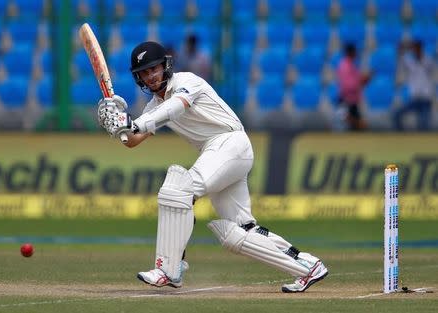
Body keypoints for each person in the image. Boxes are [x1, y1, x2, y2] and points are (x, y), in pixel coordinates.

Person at [97, 41, 328, 293]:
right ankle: (307, 265)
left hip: (230, 143)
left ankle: (169, 269)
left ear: (165, 66)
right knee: (239, 231)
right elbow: (132, 141)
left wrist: (134, 123)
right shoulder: (153, 108)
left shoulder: (188, 82)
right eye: (144, 72)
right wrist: (116, 126)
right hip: (217, 154)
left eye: (155, 69)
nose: (151, 76)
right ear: (138, 77)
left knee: (179, 190)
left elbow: (176, 108)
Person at [393, 40, 435, 131]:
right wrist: (406, 46)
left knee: (423, 125)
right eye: (414, 49)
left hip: (426, 97)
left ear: (420, 48)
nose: (415, 50)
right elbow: (399, 52)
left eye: (416, 48)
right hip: (414, 97)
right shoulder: (409, 61)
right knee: (396, 115)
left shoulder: (428, 60)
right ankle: (401, 137)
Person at [336, 43, 372, 131]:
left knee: (356, 128)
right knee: (353, 126)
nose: (356, 53)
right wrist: (362, 81)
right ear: (351, 52)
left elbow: (356, 80)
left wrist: (363, 80)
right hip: (347, 101)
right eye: (355, 51)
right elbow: (348, 85)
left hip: (353, 101)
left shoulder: (351, 65)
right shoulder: (345, 66)